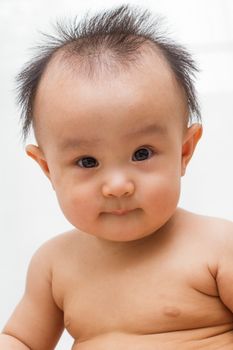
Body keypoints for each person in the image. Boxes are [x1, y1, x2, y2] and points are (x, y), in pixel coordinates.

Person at [1, 4, 233, 349]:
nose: (117, 186)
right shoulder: (53, 264)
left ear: (184, 151)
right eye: (87, 161)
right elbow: (21, 339)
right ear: (48, 168)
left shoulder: (217, 245)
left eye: (142, 154)